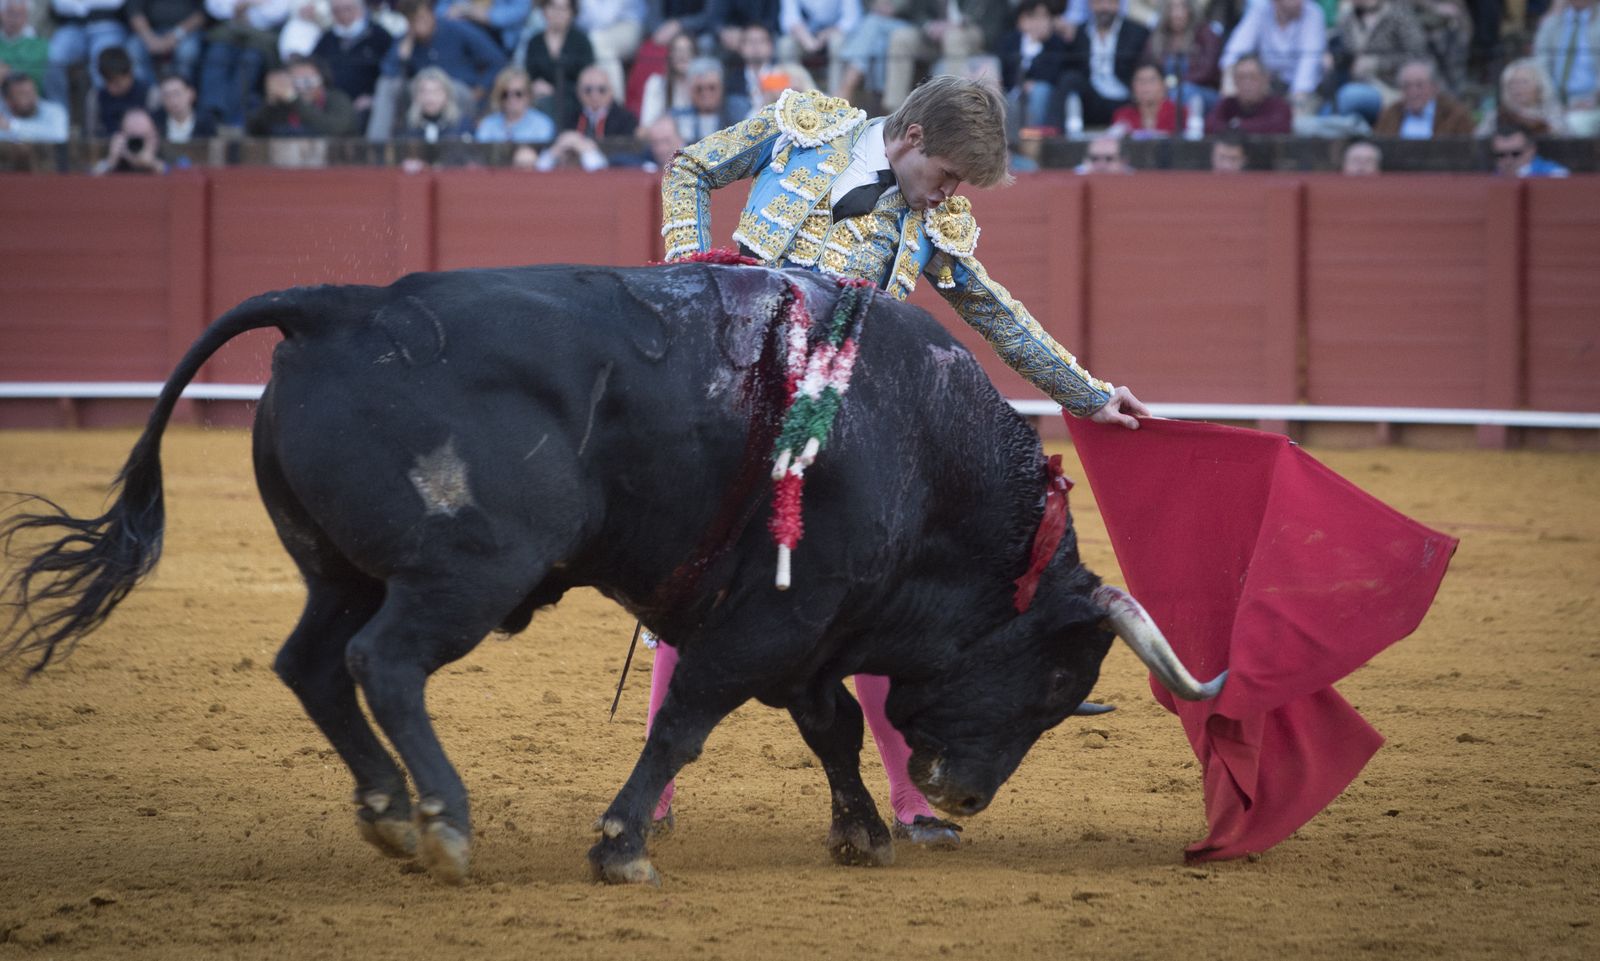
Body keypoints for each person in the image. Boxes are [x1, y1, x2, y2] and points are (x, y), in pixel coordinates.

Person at [656, 78, 1149, 844]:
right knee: (700, 581)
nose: (949, 194)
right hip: (742, 392)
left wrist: (1088, 395)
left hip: (847, 421)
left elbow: (994, 310)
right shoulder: (804, 127)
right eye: (946, 175)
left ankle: (910, 801)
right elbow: (691, 167)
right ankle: (654, 796)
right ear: (912, 138)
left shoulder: (935, 219)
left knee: (875, 592)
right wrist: (690, 274)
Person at [1328, 0, 1428, 125]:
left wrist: (1376, 63)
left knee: (1349, 97)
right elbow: (1345, 53)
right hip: (1357, 83)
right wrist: (1333, 58)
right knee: (1326, 109)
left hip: (1392, 89)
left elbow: (1417, 57)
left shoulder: (1399, 14)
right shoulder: (1347, 19)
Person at [198, 0, 293, 128]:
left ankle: (233, 119)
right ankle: (212, 113)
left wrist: (249, 5)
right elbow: (214, 6)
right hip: (230, 29)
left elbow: (279, 11)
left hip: (262, 34)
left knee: (249, 62)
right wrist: (236, 8)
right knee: (217, 55)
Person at [1219, 0, 1324, 114]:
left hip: (1300, 89)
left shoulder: (1313, 12)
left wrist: (1298, 99)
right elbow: (1235, 51)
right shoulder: (1260, 9)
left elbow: (1308, 64)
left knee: (1300, 114)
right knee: (1239, 83)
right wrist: (1229, 82)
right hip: (1266, 84)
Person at [1058, 0, 1151, 127]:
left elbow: (1144, 67)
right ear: (1090, 5)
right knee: (1069, 78)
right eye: (1099, 2)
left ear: (1118, 5)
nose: (1104, 7)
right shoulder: (1079, 32)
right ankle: (1055, 133)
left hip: (1126, 99)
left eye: (1110, 2)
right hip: (1091, 99)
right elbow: (1070, 67)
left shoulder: (1138, 32)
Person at [312, 0, 394, 122]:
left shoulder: (380, 36)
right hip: (331, 105)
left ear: (361, 10)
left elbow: (391, 73)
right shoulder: (326, 39)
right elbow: (314, 68)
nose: (343, 15)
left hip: (368, 106)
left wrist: (374, 98)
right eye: (337, 11)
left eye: (348, 9)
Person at [998, 0, 1069, 131]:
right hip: (1011, 92)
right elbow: (1004, 71)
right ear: (1021, 20)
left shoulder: (1056, 43)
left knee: (1040, 90)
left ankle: (1035, 136)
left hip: (1042, 94)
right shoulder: (1010, 41)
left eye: (1043, 17)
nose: (1038, 22)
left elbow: (1054, 73)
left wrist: (1032, 83)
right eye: (1033, 17)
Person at [523, 0, 595, 128]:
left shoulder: (581, 41)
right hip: (541, 102)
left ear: (572, 13)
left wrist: (554, 90)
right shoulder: (535, 42)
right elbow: (529, 76)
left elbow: (588, 78)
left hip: (575, 103)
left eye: (563, 8)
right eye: (553, 7)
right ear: (544, 10)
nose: (557, 13)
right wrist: (535, 86)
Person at [45, 0, 130, 107]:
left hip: (108, 24)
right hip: (73, 25)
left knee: (102, 66)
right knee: (53, 58)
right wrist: (80, 7)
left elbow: (116, 3)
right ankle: (58, 112)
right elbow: (58, 5)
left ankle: (107, 112)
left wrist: (81, 5)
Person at [1533, 0, 1600, 136]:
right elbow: (1540, 61)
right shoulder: (1552, 22)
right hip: (1552, 99)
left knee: (1573, 124)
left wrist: (1595, 99)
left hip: (1592, 102)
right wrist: (1549, 99)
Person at [1142, 0, 1221, 114]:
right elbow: (1148, 66)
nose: (1177, 14)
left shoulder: (1206, 35)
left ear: (1191, 10)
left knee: (1182, 92)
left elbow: (1207, 71)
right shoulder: (1157, 38)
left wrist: (1175, 83)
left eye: (1182, 8)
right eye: (1172, 8)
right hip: (1165, 90)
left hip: (1200, 90)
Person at [247, 55, 359, 136]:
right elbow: (255, 131)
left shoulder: (337, 99)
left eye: (308, 80)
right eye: (296, 81)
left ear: (322, 80)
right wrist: (271, 104)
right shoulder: (282, 103)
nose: (303, 87)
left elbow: (333, 129)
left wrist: (294, 99)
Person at [727, 22, 816, 118]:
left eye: (761, 41)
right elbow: (735, 120)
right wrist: (765, 101)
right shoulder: (733, 82)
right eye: (750, 41)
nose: (755, 46)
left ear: (771, 46)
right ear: (741, 48)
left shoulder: (787, 73)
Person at [1372, 57, 1472, 137]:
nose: (1413, 92)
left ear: (1433, 87)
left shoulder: (1454, 115)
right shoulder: (1389, 115)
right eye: (1407, 86)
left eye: (1419, 85)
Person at [1475, 56, 1568, 137]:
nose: (1517, 88)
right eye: (1512, 83)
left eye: (1524, 82)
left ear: (1539, 86)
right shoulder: (1496, 116)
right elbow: (1479, 138)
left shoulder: (1553, 112)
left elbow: (1561, 136)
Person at [1205, 53, 1291, 133]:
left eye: (1252, 77)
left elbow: (1279, 126)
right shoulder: (1227, 105)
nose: (1247, 83)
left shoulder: (1278, 106)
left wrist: (1237, 126)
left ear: (1265, 79)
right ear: (1234, 81)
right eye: (1241, 77)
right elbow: (1210, 125)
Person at [125, 0, 206, 85]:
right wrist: (150, 39)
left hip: (186, 32)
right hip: (150, 31)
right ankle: (147, 91)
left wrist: (176, 35)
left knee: (187, 51)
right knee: (134, 49)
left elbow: (202, 13)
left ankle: (181, 90)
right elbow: (134, 11)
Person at [475, 64, 558, 141]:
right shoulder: (488, 125)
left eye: (518, 94)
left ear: (528, 95)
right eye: (505, 94)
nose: (511, 99)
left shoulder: (542, 124)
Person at [670, 55, 739, 142]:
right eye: (699, 89)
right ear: (690, 91)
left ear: (721, 88)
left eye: (712, 88)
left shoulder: (738, 114)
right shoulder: (677, 120)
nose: (706, 94)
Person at [637, 28, 694, 126]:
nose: (683, 56)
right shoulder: (656, 83)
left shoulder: (703, 86)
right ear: (670, 55)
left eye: (688, 50)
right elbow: (647, 125)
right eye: (678, 50)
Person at [1110, 61, 1183, 136]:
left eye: (1151, 80)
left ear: (1163, 85)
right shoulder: (1123, 116)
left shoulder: (1180, 114)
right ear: (1132, 86)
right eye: (1140, 81)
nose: (1146, 86)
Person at [567, 60, 636, 135]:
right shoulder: (569, 118)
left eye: (601, 90)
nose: (594, 96)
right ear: (578, 91)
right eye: (588, 90)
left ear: (611, 91)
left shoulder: (626, 120)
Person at [93, 45, 149, 137]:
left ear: (129, 74)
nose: (111, 88)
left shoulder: (148, 94)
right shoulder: (98, 97)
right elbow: (93, 135)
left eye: (117, 83)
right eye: (108, 82)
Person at [92, 106, 166, 172]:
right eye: (132, 138)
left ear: (155, 138)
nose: (137, 143)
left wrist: (154, 164)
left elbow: (170, 172)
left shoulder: (167, 155)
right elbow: (91, 176)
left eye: (143, 137)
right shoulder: (116, 158)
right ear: (121, 136)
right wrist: (110, 162)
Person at [0, 70, 67, 141]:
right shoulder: (2, 110)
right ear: (8, 100)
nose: (31, 97)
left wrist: (13, 126)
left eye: (32, 91)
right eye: (22, 94)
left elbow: (58, 135)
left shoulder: (54, 111)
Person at [151, 70, 214, 142]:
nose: (173, 100)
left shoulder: (207, 122)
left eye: (177, 94)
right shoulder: (154, 122)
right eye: (167, 95)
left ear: (191, 93)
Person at [1491, 122, 1570, 178]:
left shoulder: (1555, 175)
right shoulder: (1492, 179)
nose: (1508, 160)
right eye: (1500, 155)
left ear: (1531, 150)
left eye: (1516, 153)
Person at [0, 0, 47, 90]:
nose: (14, 19)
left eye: (19, 15)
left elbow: (34, 75)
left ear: (27, 17)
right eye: (10, 13)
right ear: (1, 14)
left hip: (23, 93)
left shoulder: (38, 43)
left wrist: (6, 71)